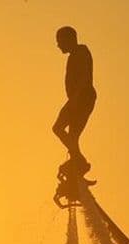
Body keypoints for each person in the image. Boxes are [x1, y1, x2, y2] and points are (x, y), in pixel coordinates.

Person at [52, 26, 97, 177]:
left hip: (83, 98)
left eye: (59, 41)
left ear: (68, 39)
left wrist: (75, 99)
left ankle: (79, 161)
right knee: (71, 135)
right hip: (78, 99)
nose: (58, 45)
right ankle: (77, 161)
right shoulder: (75, 55)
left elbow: (84, 76)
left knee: (59, 128)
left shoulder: (81, 52)